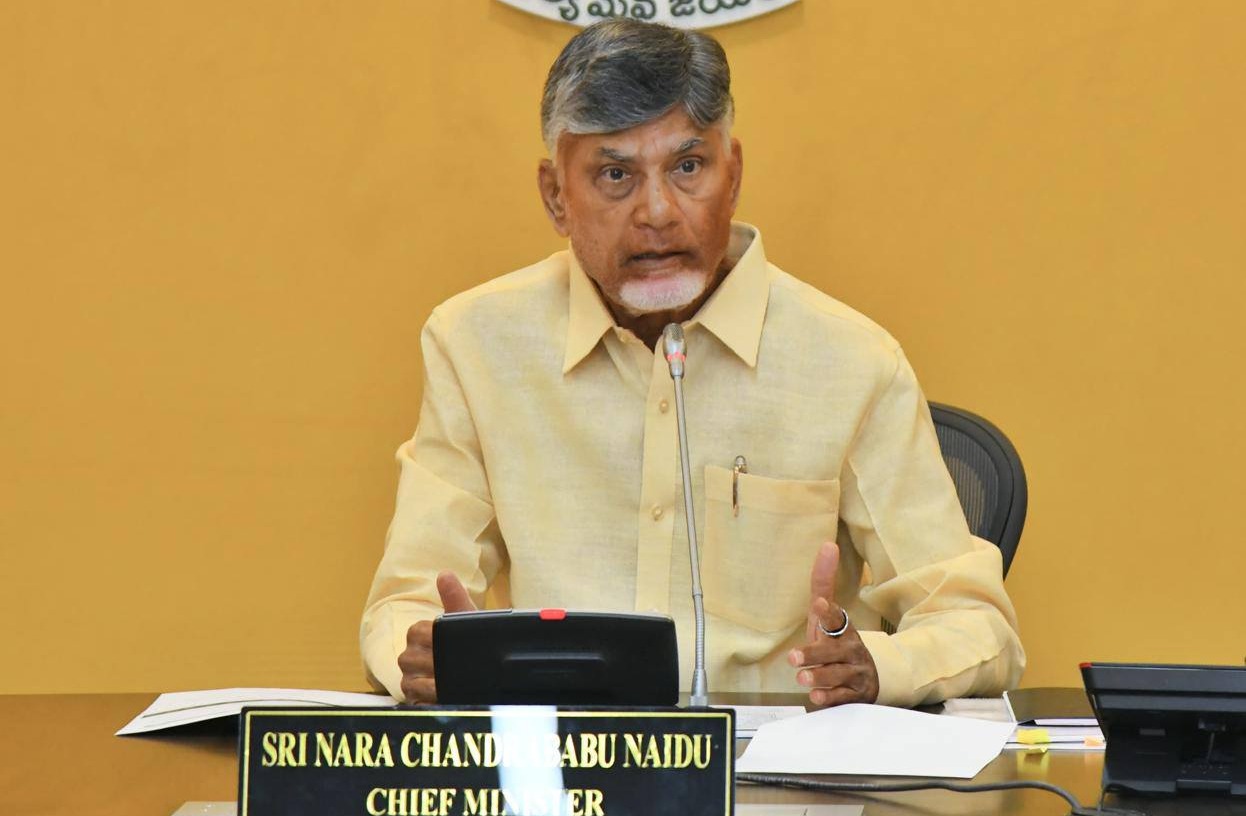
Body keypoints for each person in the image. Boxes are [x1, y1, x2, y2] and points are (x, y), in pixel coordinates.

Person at [361, 19, 1025, 708]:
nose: (657, 212)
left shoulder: (851, 361)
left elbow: (978, 625)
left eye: (687, 168)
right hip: (564, 764)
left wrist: (874, 668)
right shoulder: (476, 344)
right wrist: (422, 655)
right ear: (556, 196)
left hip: (773, 766)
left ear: (731, 175)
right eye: (615, 175)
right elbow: (404, 601)